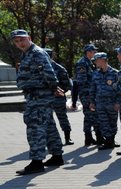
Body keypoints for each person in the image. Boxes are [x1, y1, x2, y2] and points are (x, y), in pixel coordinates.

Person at [10, 29, 64, 175]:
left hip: (39, 96)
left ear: (29, 38)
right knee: (48, 126)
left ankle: (36, 162)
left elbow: (49, 72)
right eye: (16, 41)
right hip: (37, 96)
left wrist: (53, 87)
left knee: (35, 128)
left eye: (22, 40)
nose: (20, 43)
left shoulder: (36, 53)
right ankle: (57, 156)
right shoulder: (27, 53)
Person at [89, 52, 119, 151]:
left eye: (96, 60)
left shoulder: (115, 73)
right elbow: (92, 89)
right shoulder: (96, 73)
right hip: (100, 103)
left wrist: (117, 102)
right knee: (103, 122)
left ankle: (111, 140)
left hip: (112, 102)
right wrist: (92, 102)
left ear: (102, 60)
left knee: (113, 123)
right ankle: (108, 141)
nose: (94, 63)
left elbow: (119, 90)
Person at [44, 48, 74, 146]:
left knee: (62, 118)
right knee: (45, 120)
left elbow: (68, 85)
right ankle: (48, 140)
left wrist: (59, 91)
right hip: (44, 99)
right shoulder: (39, 68)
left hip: (58, 99)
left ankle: (67, 138)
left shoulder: (59, 69)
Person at [75, 43, 101, 146]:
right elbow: (82, 80)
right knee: (92, 114)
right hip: (86, 93)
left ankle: (89, 137)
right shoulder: (82, 63)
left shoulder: (90, 62)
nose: (95, 53)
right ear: (88, 52)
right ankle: (96, 137)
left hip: (90, 92)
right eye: (94, 51)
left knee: (89, 115)